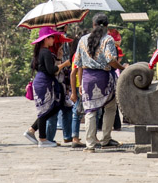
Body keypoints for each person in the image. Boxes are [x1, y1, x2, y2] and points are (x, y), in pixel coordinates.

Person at [72, 13, 123, 152]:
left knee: (90, 111)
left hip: (88, 78)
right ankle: (106, 138)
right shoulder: (108, 39)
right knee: (110, 107)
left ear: (93, 25)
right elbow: (111, 60)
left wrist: (81, 82)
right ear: (106, 26)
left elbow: (78, 63)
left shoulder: (82, 40)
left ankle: (90, 145)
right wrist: (122, 68)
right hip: (104, 78)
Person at [25, 26, 69, 147]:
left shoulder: (39, 52)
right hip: (44, 81)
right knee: (45, 110)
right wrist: (64, 64)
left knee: (52, 108)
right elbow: (51, 70)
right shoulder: (46, 52)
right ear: (46, 39)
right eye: (52, 37)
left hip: (40, 80)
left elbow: (33, 66)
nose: (54, 40)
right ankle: (43, 139)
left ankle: (32, 130)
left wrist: (59, 57)